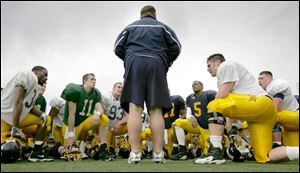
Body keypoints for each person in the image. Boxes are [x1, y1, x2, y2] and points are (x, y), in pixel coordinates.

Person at [194, 53, 299, 164]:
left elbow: (221, 97)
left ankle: (215, 151)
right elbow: (228, 107)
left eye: (209, 65)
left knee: (214, 103)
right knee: (266, 156)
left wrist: (215, 120)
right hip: (264, 114)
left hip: (260, 103)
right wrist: (230, 127)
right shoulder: (228, 75)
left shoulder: (225, 65)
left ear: (217, 62)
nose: (208, 69)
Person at [114, 5, 181, 164]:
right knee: (156, 110)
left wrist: (129, 59)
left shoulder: (130, 27)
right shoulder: (163, 27)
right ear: (154, 15)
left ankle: (135, 153)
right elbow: (176, 48)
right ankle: (158, 154)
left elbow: (117, 48)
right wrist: (165, 61)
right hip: (156, 63)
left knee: (135, 108)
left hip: (134, 63)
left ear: (141, 14)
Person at [1, 65, 52, 162]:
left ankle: (36, 152)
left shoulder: (35, 89)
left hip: (16, 119)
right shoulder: (28, 75)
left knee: (45, 119)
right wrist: (15, 128)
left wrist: (42, 114)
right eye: (44, 74)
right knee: (8, 149)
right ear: (36, 72)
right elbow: (18, 101)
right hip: (4, 116)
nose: (46, 78)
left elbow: (29, 106)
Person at [60, 73, 113, 161]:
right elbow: (71, 115)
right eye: (92, 79)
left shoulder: (96, 93)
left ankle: (103, 150)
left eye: (95, 79)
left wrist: (97, 114)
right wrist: (70, 135)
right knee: (68, 153)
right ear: (85, 81)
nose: (94, 81)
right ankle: (59, 148)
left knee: (104, 118)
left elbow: (100, 109)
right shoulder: (74, 90)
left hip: (84, 123)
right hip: (71, 125)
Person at [171, 81, 217, 160]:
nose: (193, 86)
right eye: (192, 85)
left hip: (208, 127)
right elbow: (188, 111)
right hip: (196, 125)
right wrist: (190, 117)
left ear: (202, 86)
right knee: (178, 122)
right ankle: (182, 151)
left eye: (196, 84)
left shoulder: (209, 94)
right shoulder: (190, 98)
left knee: (207, 151)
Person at [258, 71, 299, 146]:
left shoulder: (276, 85)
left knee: (271, 117)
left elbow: (276, 104)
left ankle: (277, 143)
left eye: (261, 78)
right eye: (258, 79)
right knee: (291, 147)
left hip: (294, 114)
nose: (259, 81)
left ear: (270, 78)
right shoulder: (266, 90)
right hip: (287, 119)